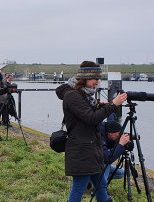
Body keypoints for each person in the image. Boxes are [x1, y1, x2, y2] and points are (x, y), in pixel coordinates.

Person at [55, 61, 127, 202]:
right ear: (86, 78)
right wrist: (113, 105)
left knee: (101, 185)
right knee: (79, 188)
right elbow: (91, 118)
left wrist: (99, 106)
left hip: (91, 149)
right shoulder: (73, 96)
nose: (97, 82)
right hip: (81, 151)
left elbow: (86, 113)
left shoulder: (83, 95)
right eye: (95, 79)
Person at [101, 120, 130, 192]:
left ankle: (91, 180)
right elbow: (107, 158)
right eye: (118, 134)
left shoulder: (108, 136)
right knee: (106, 164)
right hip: (90, 165)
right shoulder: (99, 136)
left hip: (97, 165)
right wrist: (120, 145)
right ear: (110, 133)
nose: (119, 136)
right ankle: (100, 188)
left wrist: (122, 146)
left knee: (121, 172)